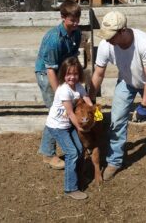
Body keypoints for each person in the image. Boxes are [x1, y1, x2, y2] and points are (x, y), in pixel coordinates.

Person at [90, 11, 146, 184]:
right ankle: (114, 161)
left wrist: (144, 106)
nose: (107, 40)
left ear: (122, 31)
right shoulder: (107, 45)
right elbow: (98, 73)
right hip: (126, 82)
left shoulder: (144, 43)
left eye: (111, 36)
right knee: (116, 121)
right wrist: (90, 99)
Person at [35, 0, 82, 170]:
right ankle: (48, 154)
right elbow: (50, 70)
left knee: (65, 108)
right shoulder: (53, 39)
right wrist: (58, 94)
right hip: (47, 74)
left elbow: (73, 58)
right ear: (63, 17)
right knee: (57, 111)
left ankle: (73, 144)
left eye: (78, 19)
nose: (76, 23)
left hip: (64, 72)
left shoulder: (76, 33)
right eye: (72, 20)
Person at [42, 56, 93, 200]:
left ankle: (77, 177)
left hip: (68, 125)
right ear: (63, 74)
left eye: (75, 74)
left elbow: (87, 98)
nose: (72, 77)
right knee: (72, 153)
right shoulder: (64, 90)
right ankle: (70, 188)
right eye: (68, 74)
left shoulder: (78, 86)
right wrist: (80, 128)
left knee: (80, 149)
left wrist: (95, 112)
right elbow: (70, 113)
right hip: (57, 126)